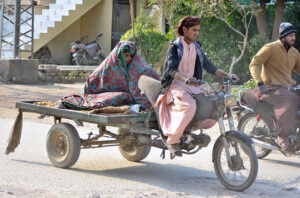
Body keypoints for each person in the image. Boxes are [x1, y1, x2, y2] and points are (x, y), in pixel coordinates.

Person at [156, 16, 239, 157]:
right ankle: (172, 140)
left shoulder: (197, 47)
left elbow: (209, 66)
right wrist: (186, 78)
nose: (197, 33)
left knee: (216, 105)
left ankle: (190, 128)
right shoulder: (175, 47)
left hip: (192, 85)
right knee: (189, 106)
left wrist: (228, 75)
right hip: (176, 85)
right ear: (184, 29)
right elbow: (171, 70)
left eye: (198, 30)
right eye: (194, 30)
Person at [249, 22, 300, 151]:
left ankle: (294, 132)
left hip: (288, 88)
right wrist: (259, 82)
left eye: (294, 35)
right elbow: (254, 64)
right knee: (292, 99)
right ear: (283, 36)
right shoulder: (270, 48)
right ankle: (282, 136)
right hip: (270, 88)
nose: (293, 38)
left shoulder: (295, 53)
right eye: (290, 35)